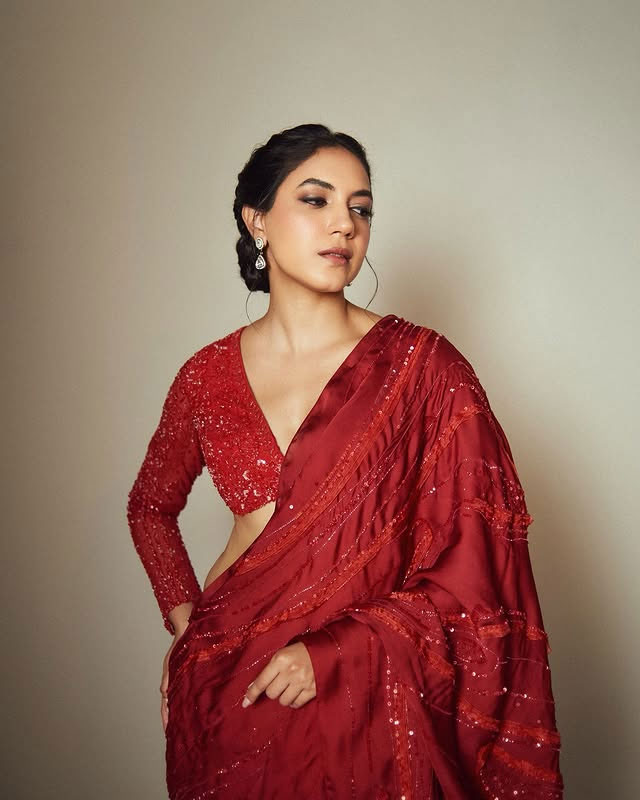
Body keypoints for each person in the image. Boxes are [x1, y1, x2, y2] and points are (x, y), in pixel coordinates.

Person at [126, 123, 564, 799]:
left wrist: (337, 652)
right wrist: (188, 628)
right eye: (316, 200)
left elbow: (476, 567)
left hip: (364, 692)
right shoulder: (205, 377)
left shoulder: (423, 370)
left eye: (361, 208)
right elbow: (150, 507)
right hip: (232, 684)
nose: (345, 225)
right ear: (256, 219)